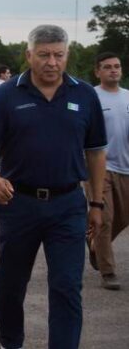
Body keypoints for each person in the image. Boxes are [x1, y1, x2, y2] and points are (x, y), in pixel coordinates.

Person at [0, 24, 107, 349]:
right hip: (19, 204)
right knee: (11, 283)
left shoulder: (84, 95)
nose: (52, 62)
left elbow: (96, 152)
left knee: (66, 286)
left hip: (68, 204)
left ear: (67, 55)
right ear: (29, 55)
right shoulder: (7, 95)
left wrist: (96, 203)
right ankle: (11, 342)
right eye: (44, 55)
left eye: (59, 55)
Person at [87, 52, 129, 290]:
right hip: (100, 169)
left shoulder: (127, 97)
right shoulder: (91, 97)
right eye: (108, 67)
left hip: (126, 167)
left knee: (123, 217)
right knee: (105, 219)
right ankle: (108, 272)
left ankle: (95, 243)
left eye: (117, 66)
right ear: (98, 71)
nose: (113, 70)